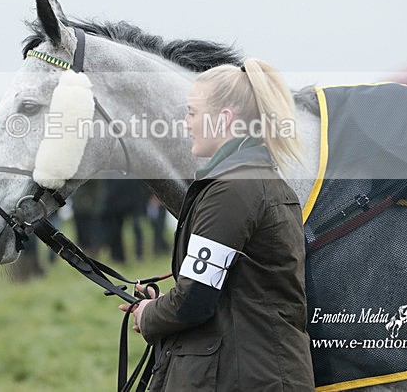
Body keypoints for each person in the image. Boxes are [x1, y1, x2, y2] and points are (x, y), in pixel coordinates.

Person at [119, 59, 315, 391]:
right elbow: (232, 291)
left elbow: (195, 298)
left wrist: (149, 314)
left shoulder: (231, 190)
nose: (186, 123)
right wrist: (163, 302)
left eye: (192, 113)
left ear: (224, 120)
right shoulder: (255, 182)